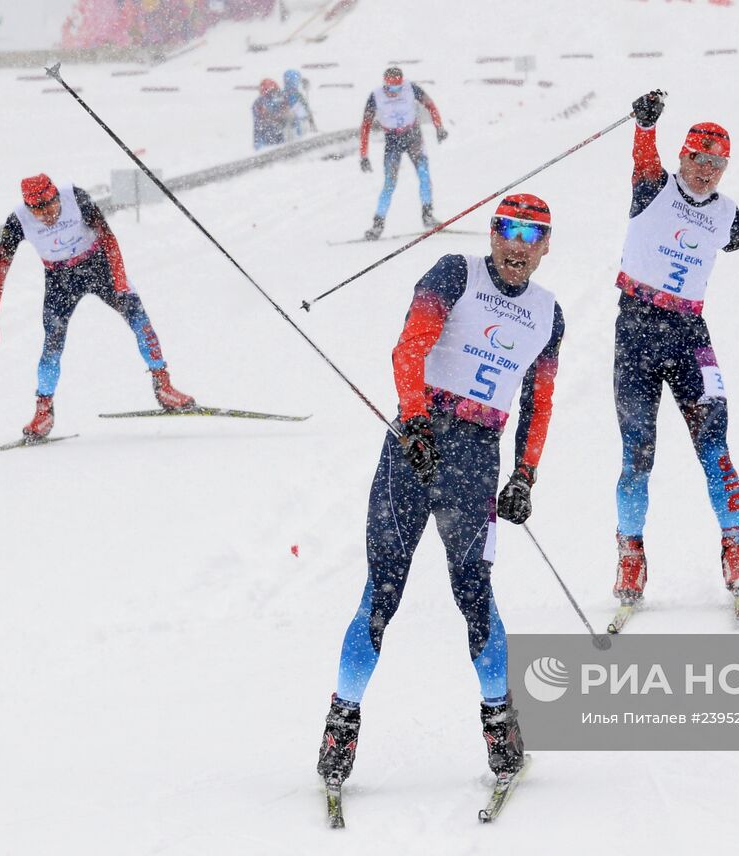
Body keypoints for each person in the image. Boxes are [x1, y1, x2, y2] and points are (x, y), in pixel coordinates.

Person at [316, 194, 566, 787]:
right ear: (492, 233)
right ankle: (339, 730)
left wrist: (525, 474)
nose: (517, 246)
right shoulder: (456, 272)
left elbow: (540, 401)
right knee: (381, 592)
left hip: (476, 461)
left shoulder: (548, 315)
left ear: (546, 246)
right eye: (508, 230)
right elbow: (410, 346)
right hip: (415, 447)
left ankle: (501, 732)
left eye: (531, 235)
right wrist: (415, 420)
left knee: (475, 596)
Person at [610, 91, 739, 609]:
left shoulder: (729, 214)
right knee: (637, 454)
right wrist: (644, 126)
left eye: (717, 164)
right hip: (637, 331)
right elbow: (643, 157)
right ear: (682, 156)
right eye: (698, 160)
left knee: (715, 446)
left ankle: (735, 546)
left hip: (690, 335)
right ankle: (630, 553)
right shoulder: (654, 186)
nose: (706, 172)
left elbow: (732, 241)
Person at [0, 174, 195, 439]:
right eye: (38, 211)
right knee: (52, 345)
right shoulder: (18, 220)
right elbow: (0, 267)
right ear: (28, 208)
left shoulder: (75, 196)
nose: (48, 215)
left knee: (140, 322)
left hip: (98, 266)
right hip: (60, 279)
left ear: (57, 196)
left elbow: (108, 237)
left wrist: (119, 280)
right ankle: (44, 411)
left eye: (52, 206)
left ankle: (164, 386)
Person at [358, 66, 449, 240]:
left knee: (424, 175)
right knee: (389, 184)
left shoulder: (411, 88)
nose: (396, 92)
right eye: (392, 88)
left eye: (398, 87)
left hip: (413, 136)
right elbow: (365, 126)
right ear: (385, 84)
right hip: (392, 140)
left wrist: (439, 127)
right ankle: (377, 225)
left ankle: (428, 216)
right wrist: (364, 155)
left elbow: (430, 106)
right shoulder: (376, 96)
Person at [252, 77, 290, 149]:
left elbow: (284, 110)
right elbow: (261, 119)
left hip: (277, 134)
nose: (273, 94)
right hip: (267, 136)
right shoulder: (259, 103)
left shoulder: (279, 99)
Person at [282, 68, 317, 138]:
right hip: (296, 129)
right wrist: (312, 123)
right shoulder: (297, 96)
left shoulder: (282, 95)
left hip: (289, 130)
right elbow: (305, 112)